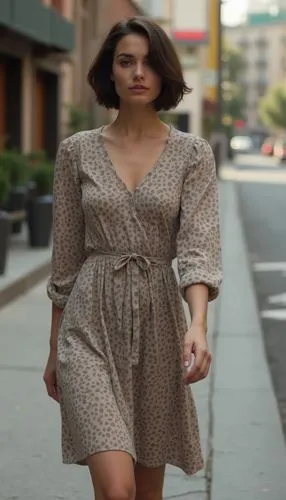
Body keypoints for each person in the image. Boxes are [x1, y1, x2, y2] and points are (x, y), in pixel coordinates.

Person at [43, 16, 222, 500]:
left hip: (159, 328)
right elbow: (65, 261)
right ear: (111, 73)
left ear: (164, 74)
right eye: (126, 62)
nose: (138, 72)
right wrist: (54, 346)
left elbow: (198, 246)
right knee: (117, 489)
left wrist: (198, 324)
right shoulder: (75, 152)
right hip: (88, 326)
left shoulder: (193, 155)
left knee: (145, 492)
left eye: (149, 62)